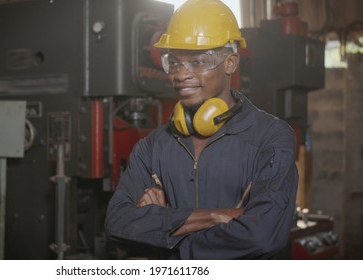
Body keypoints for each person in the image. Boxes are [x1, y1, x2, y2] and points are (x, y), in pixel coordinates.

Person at [104, 0, 298, 259]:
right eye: (173, 62)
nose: (181, 74)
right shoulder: (153, 146)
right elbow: (117, 224)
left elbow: (263, 236)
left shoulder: (270, 137)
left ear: (230, 63)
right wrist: (217, 216)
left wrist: (165, 232)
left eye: (197, 61)